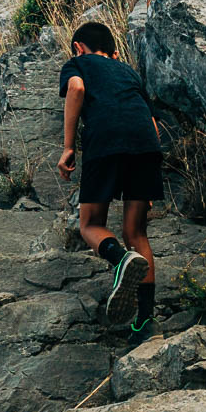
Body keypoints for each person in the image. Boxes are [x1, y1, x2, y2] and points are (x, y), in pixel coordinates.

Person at [58, 21, 163, 342]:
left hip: (106, 139)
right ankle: (146, 322)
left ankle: (120, 259)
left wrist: (68, 146)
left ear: (78, 46)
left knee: (89, 224)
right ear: (114, 52)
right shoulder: (128, 72)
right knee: (137, 232)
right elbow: (153, 122)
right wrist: (147, 180)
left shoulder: (77, 63)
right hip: (146, 144)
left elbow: (76, 89)